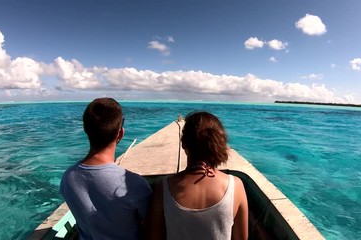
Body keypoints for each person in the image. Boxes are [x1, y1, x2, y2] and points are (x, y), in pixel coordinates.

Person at [60, 98, 152, 240]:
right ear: (120, 133)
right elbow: (151, 224)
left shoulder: (67, 178)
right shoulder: (135, 185)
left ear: (86, 129)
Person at [149, 111, 248, 240]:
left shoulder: (163, 187)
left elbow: (154, 237)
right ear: (220, 144)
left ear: (183, 143)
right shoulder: (236, 186)